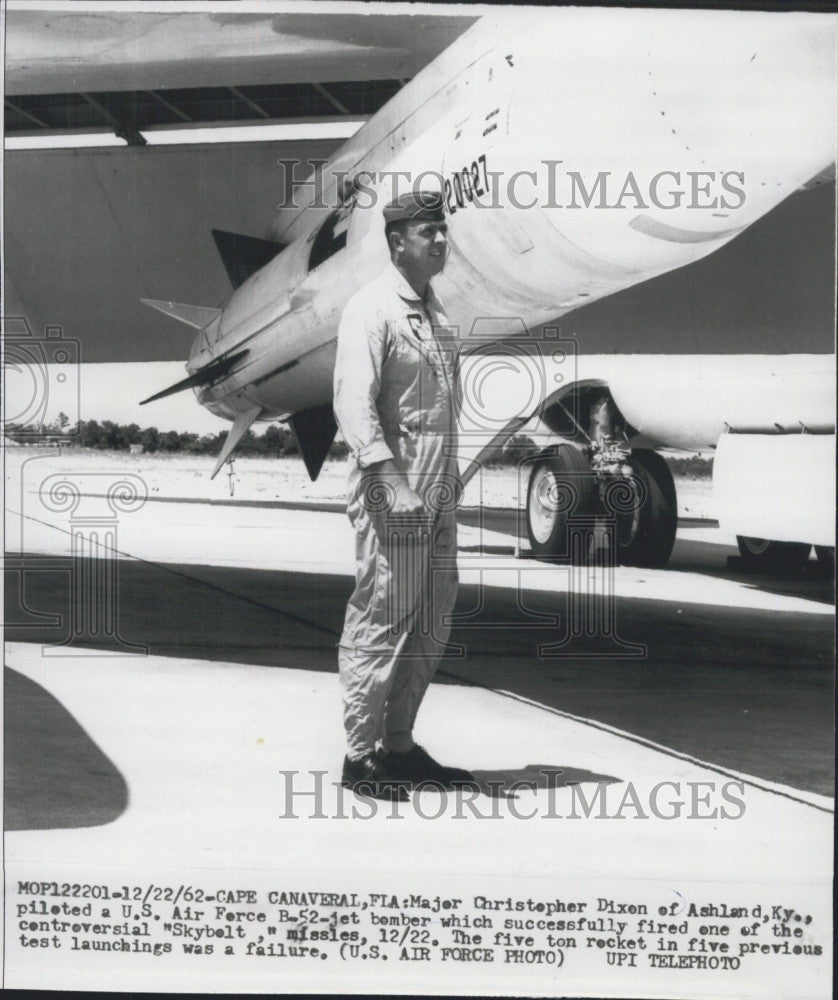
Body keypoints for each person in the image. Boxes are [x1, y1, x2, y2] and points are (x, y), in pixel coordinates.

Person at [333, 189, 474, 800]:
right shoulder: (371, 310)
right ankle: (358, 755)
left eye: (444, 230)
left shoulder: (439, 318)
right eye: (428, 232)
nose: (442, 240)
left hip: (437, 497)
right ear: (397, 242)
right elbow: (352, 403)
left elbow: (441, 414)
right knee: (383, 616)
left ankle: (399, 745)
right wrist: (391, 480)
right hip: (394, 495)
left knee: (434, 616)